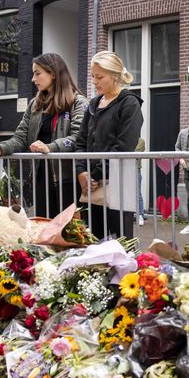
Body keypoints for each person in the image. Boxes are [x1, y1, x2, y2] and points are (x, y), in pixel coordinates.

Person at [0, 53, 87, 217]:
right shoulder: (35, 104)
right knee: (44, 228)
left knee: (70, 232)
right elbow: (21, 137)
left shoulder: (78, 103)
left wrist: (50, 147)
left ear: (53, 74)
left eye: (37, 73)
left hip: (68, 179)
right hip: (41, 178)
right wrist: (1, 148)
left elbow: (78, 138)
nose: (33, 79)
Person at [75, 51, 143, 239]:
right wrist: (81, 172)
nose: (94, 82)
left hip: (118, 183)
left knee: (121, 242)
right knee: (92, 240)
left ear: (114, 76)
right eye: (93, 77)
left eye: (99, 77)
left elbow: (123, 147)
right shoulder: (94, 103)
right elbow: (81, 141)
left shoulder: (129, 104)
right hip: (91, 184)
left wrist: (93, 175)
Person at [136, 138, 146, 226]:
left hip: (135, 170)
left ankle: (140, 215)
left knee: (137, 193)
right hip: (124, 169)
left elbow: (135, 154)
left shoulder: (140, 141)